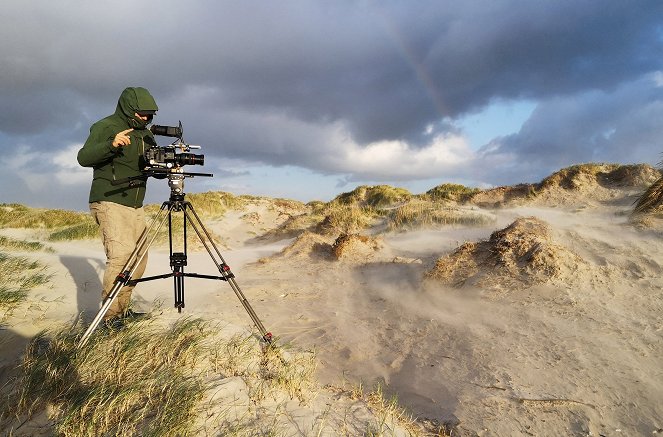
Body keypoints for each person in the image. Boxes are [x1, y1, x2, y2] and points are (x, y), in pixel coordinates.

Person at [77, 87, 159, 326]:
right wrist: (111, 145)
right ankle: (110, 318)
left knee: (138, 260)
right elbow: (84, 158)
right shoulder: (106, 126)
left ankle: (121, 310)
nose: (146, 118)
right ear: (130, 109)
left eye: (150, 115)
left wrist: (168, 169)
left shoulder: (146, 134)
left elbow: (150, 166)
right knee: (121, 256)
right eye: (142, 114)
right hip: (110, 199)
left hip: (135, 204)